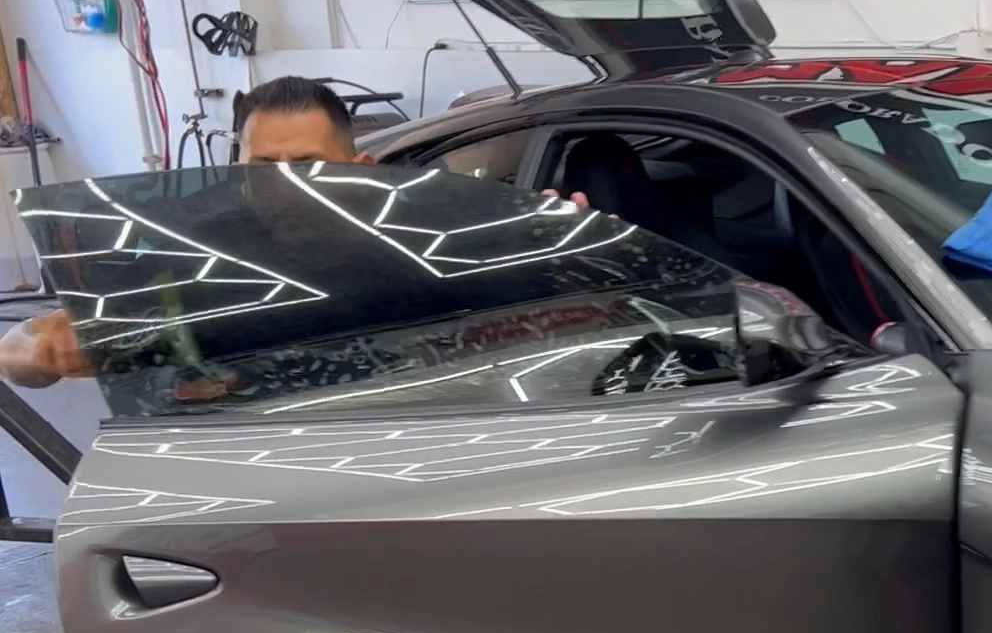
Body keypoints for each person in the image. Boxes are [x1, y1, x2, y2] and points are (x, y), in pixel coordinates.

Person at [0, 75, 587, 394]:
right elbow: (20, 351)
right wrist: (37, 350)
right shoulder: (194, 249)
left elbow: (548, 306)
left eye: (308, 164)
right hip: (260, 479)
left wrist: (565, 240)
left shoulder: (423, 236)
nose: (285, 186)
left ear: (359, 169)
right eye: (262, 168)